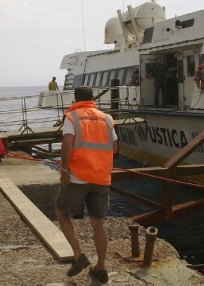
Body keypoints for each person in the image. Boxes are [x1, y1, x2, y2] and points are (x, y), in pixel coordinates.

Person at [55, 86, 118, 283]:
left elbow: (67, 144)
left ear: (75, 99)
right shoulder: (106, 118)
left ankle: (78, 255)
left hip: (78, 176)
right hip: (101, 177)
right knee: (98, 223)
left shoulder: (72, 117)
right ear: (93, 98)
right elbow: (115, 147)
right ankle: (101, 267)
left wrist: (64, 169)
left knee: (61, 212)